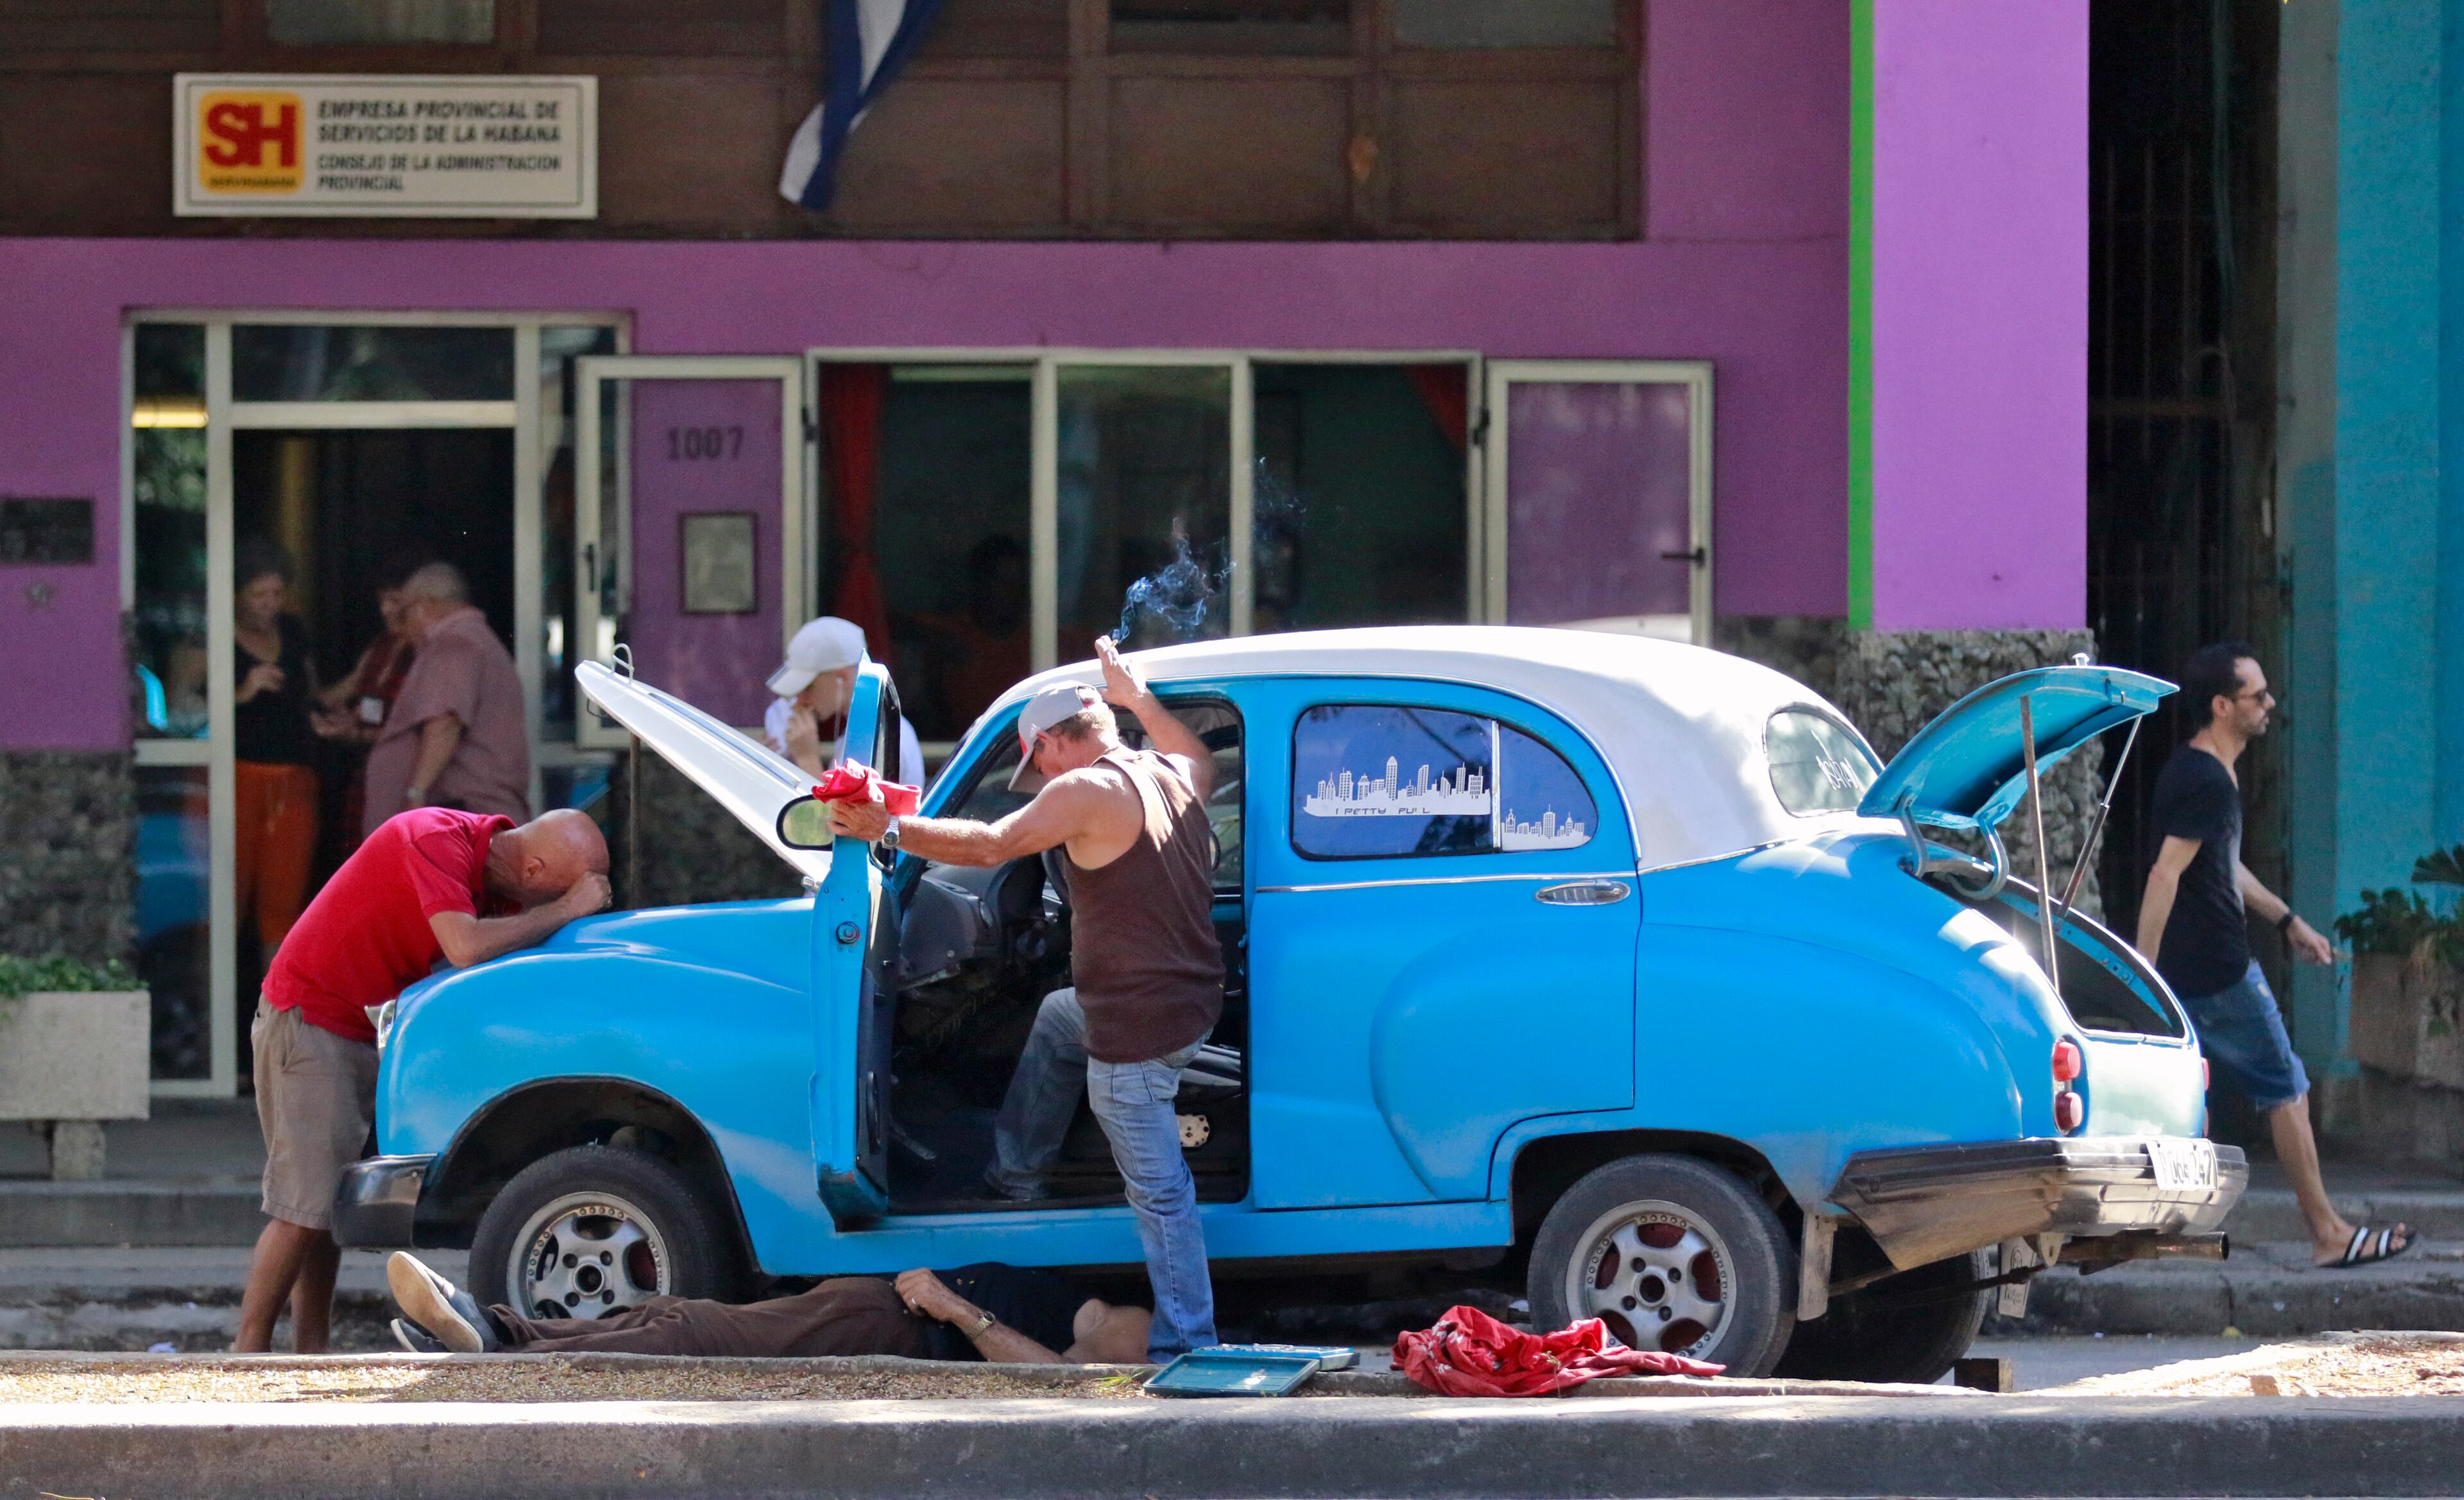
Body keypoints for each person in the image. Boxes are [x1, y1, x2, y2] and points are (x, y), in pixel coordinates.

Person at [828, 636, 1222, 1362]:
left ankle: (1186, 1345)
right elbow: (1200, 755)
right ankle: (1017, 1176)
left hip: (1136, 1027)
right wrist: (1139, 700)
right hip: (1187, 1003)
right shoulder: (1165, 771)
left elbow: (987, 847)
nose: (1037, 774)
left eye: (1033, 760)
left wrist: (883, 825)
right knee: (1056, 1013)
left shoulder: (1083, 791)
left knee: (1162, 1197)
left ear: (1048, 743)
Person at [234, 807, 610, 1353]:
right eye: (560, 892)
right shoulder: (435, 838)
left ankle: (309, 1349)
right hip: (310, 1018)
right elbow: (464, 946)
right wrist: (568, 909)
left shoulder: (496, 891)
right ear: (532, 871)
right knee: (300, 1209)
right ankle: (246, 1352)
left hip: (352, 1027)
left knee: (322, 1207)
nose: (554, 907)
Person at [2139, 642, 2414, 1269]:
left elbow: (2220, 865)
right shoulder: (2206, 777)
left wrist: (2288, 920)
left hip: (2208, 960)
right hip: (2218, 965)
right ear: (2221, 706)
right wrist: (2143, 970)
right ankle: (2326, 1233)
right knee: (2285, 1087)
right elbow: (2164, 874)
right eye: (2256, 695)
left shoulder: (2206, 771)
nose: (2270, 704)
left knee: (2229, 1094)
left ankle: (2322, 1227)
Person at [382, 1252, 1152, 1365]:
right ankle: (493, 1331)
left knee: (697, 1330)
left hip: (901, 1325)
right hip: (881, 1301)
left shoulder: (1145, 1337)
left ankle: (510, 1355)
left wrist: (954, 1308)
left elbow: (1060, 1381)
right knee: (675, 1312)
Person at [363, 563, 529, 837]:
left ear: (423, 606)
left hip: (461, 818)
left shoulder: (455, 645)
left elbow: (444, 723)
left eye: (405, 613)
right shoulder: (477, 641)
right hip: (469, 816)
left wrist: (416, 792)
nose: (401, 626)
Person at [232, 539, 321, 958]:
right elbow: (177, 709)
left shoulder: (294, 631)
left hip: (293, 777)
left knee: (283, 904)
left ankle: (275, 1014)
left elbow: (314, 695)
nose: (269, 604)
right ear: (235, 595)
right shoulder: (211, 637)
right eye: (258, 594)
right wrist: (240, 692)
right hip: (235, 776)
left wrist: (358, 682)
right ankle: (211, 1005)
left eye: (277, 593)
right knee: (226, 896)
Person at [313, 567, 421, 848]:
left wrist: (355, 733)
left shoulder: (430, 652)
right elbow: (340, 695)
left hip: (410, 782)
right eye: (382, 601)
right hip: (369, 777)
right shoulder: (380, 646)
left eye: (395, 601)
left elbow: (420, 731)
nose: (386, 610)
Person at [763, 615, 924, 785]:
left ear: (842, 677)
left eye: (808, 687)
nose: (800, 699)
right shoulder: (858, 732)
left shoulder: (874, 739)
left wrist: (807, 758)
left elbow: (841, 811)